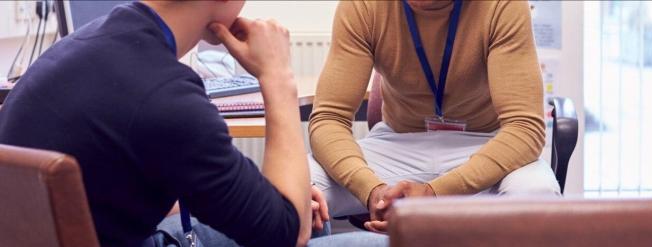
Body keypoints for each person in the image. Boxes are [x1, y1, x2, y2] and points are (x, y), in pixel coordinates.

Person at [0, 1, 387, 246]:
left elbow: (116, 189)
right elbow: (286, 235)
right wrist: (277, 76)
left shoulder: (84, 46)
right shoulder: (165, 93)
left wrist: (274, 198)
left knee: (313, 217)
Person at [308, 0, 561, 232]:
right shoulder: (363, 5)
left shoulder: (502, 5)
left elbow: (524, 127)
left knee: (537, 194)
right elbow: (329, 118)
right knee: (298, 188)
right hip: (398, 144)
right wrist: (371, 189)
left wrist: (435, 193)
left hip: (484, 143)